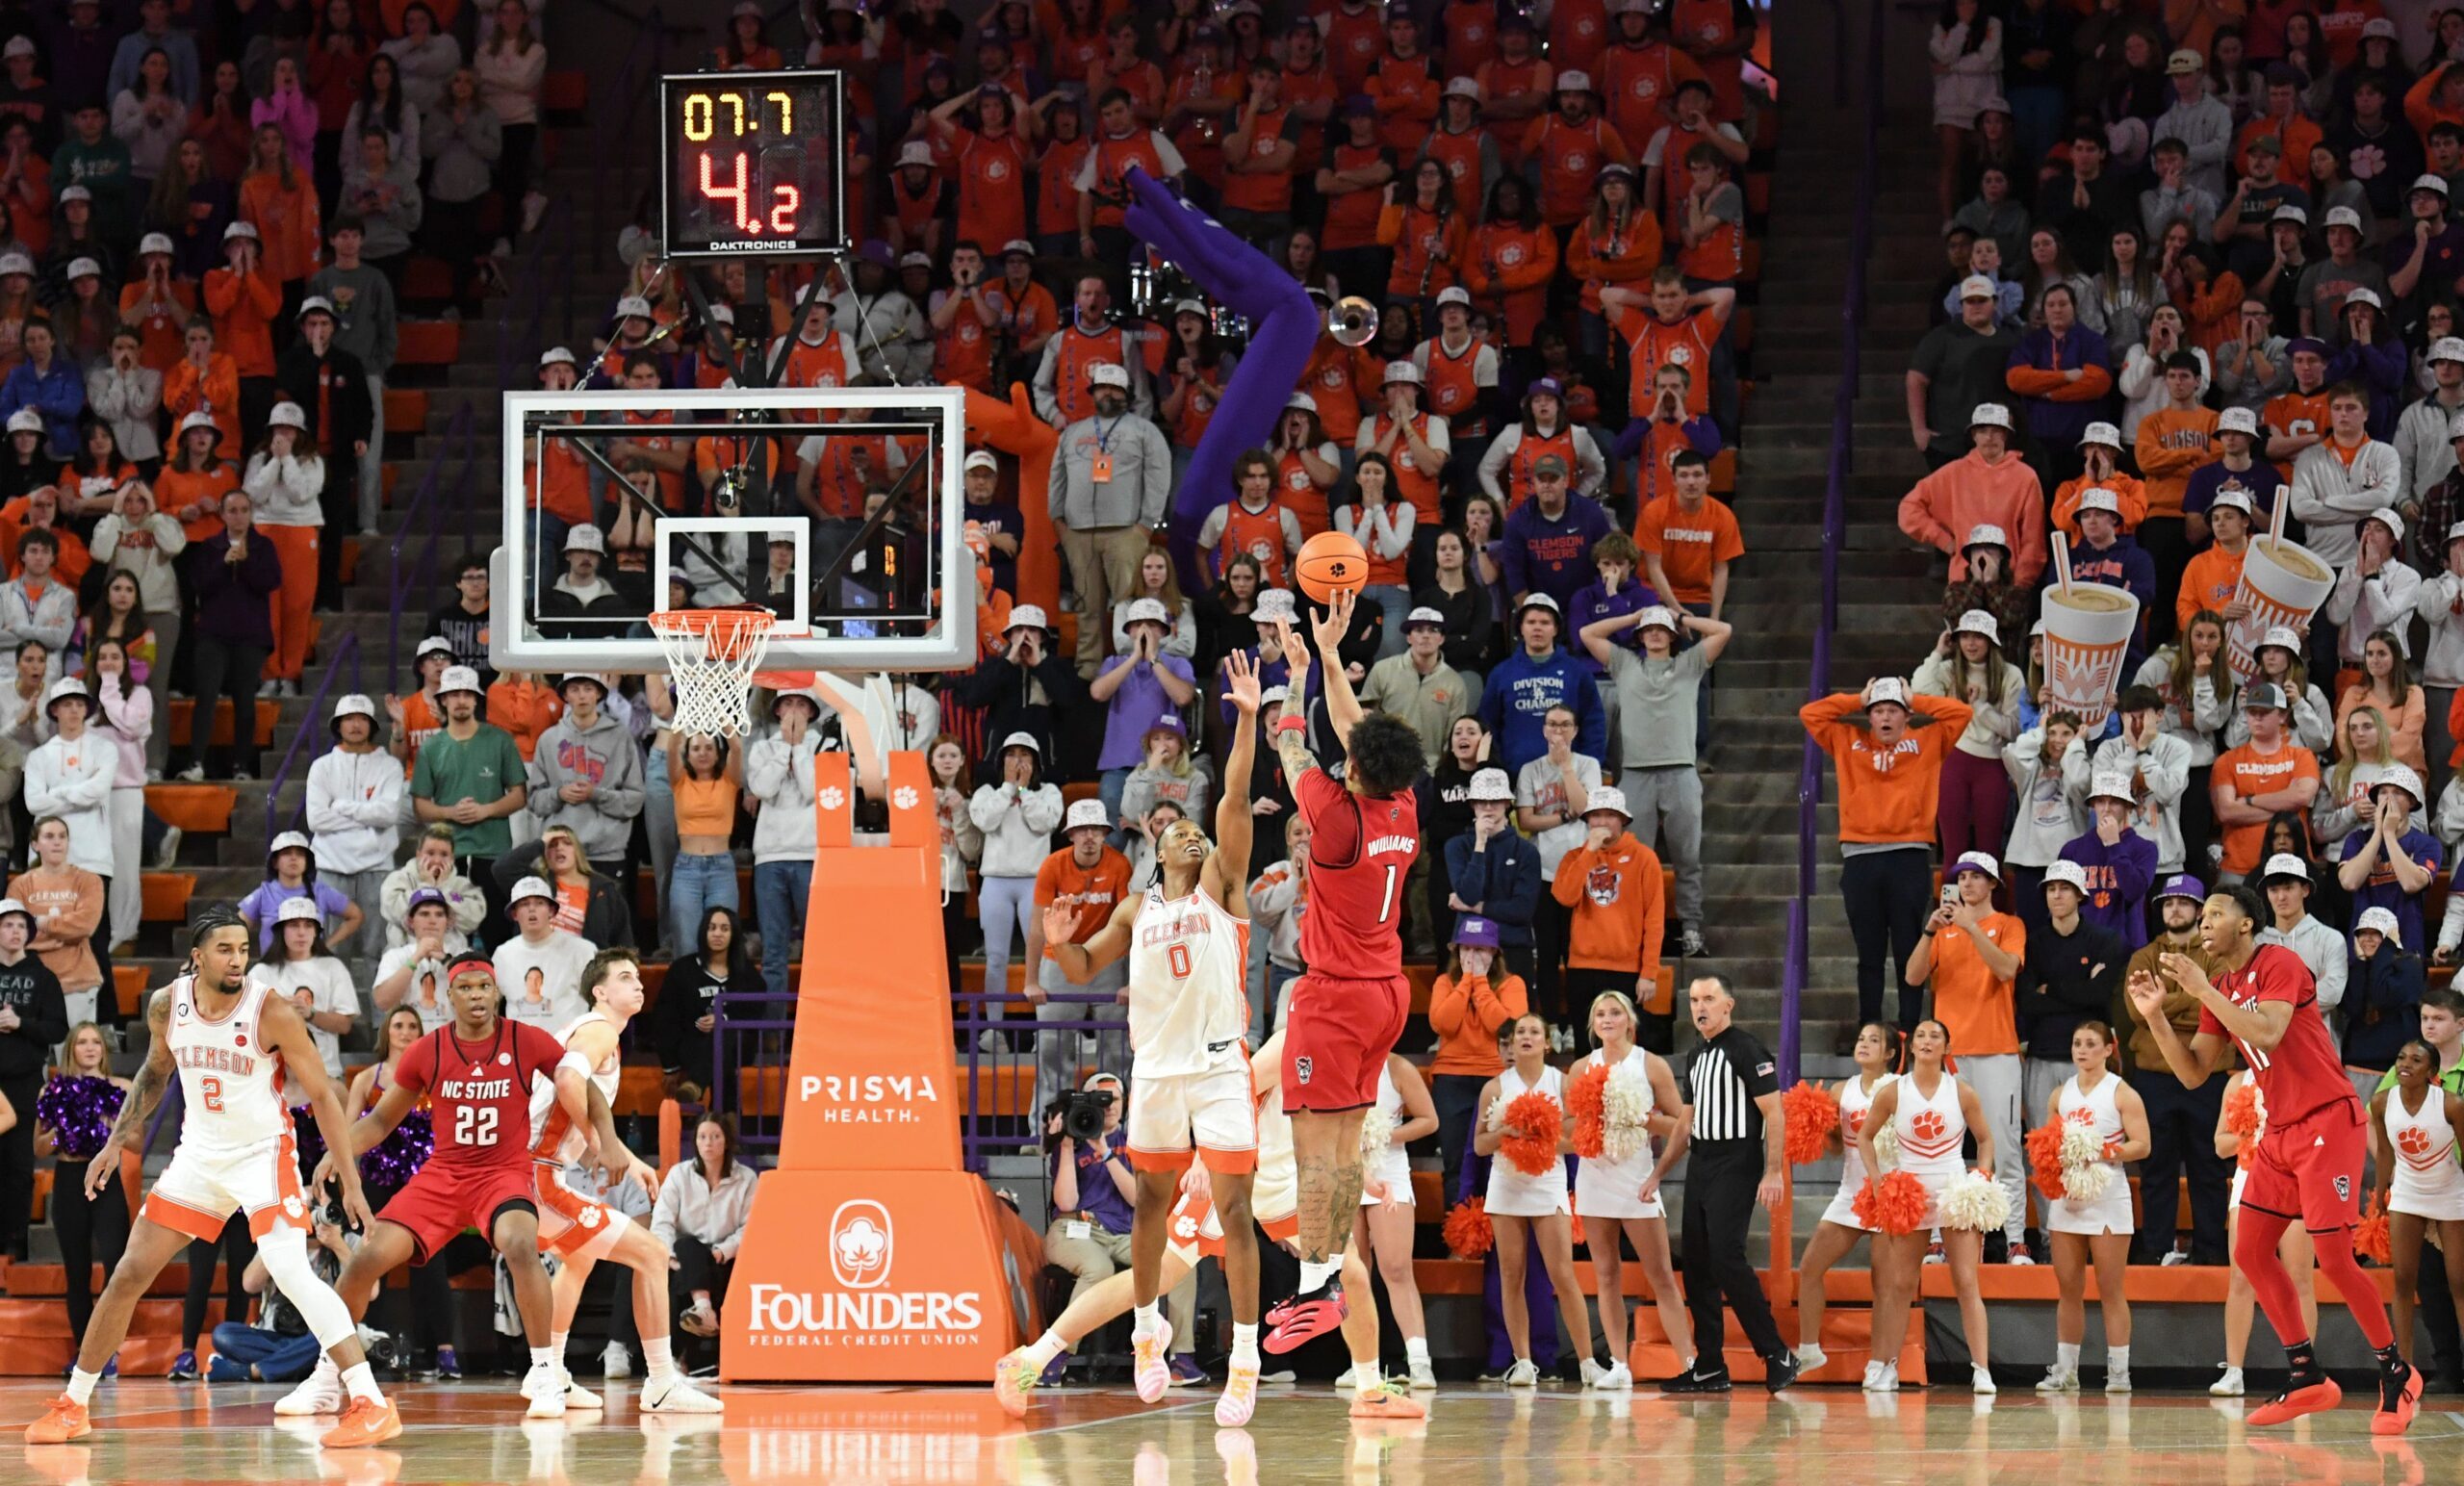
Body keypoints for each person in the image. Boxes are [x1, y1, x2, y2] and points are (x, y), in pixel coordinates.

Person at [26, 911, 397, 1448]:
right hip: (199, 1157)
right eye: (225, 949)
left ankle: (369, 1401)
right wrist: (112, 1144)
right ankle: (74, 1404)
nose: (237, 959)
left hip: (263, 1155)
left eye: (244, 949)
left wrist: (351, 1179)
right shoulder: (167, 1004)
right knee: (129, 1272)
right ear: (198, 957)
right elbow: (155, 1073)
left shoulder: (270, 1010)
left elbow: (323, 1094)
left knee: (290, 1270)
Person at [1043, 652, 1265, 1422]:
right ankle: (1145, 1329)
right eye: (1176, 830)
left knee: (1234, 1213)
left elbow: (1235, 792)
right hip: (1159, 1075)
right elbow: (1080, 965)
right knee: (1152, 1212)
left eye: (1196, 829)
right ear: (1152, 844)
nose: (1191, 834)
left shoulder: (1222, 888)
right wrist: (1060, 940)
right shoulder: (1136, 910)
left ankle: (1244, 1357)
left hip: (1218, 1069)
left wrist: (1245, 717)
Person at [997, 1027, 1425, 1420]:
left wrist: (1363, 1177)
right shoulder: (1292, 1040)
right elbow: (1234, 1097)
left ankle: (1369, 1391)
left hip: (1287, 1180)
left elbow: (1336, 1133)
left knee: (1350, 1272)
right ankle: (1029, 1359)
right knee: (1160, 1273)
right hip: (1237, 1166)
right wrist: (1204, 1159)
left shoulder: (1360, 1059)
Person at [2123, 884, 2424, 1431]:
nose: (2205, 922)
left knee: (2332, 1259)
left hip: (2329, 1121)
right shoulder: (2222, 982)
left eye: (2215, 913)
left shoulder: (2280, 961)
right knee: (2252, 1253)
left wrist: (2200, 990)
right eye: (2203, 914)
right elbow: (2192, 1074)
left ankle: (2396, 1372)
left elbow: (2267, 1028)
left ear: (2244, 924)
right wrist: (2157, 1017)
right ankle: (2307, 1375)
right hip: (2279, 1131)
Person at [289, 951, 578, 1422]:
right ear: (450, 996)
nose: (476, 996)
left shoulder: (528, 1041)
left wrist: (602, 1136)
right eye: (465, 988)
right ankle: (326, 1376)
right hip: (443, 1176)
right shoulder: (431, 1049)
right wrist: (336, 1153)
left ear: (497, 991)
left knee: (520, 1245)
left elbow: (577, 1081)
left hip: (503, 1174)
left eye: (484, 987)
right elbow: (381, 1119)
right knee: (365, 1259)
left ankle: (545, 1372)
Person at [1256, 592, 1429, 1351]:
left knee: (1311, 1149)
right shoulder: (1403, 807)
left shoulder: (1332, 817)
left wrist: (1294, 678)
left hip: (1334, 995)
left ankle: (1314, 1285)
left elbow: (1290, 745)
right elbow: (1362, 728)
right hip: (1389, 993)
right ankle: (1323, 1278)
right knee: (1353, 1140)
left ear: (1356, 771)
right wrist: (1327, 655)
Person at [523, 948, 721, 1412]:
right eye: (625, 977)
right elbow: (570, 1079)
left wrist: (626, 1158)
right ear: (600, 991)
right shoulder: (598, 1030)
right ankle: (662, 1382)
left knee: (578, 1261)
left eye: (638, 977)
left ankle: (551, 1373)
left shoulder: (589, 1030)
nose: (638, 984)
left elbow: (574, 1099)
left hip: (538, 1170)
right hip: (534, 1174)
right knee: (652, 1253)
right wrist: (604, 1147)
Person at [1802, 679, 1975, 1027]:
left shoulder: (1928, 740)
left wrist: (1917, 699)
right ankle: (1870, 1033)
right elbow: (1811, 713)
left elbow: (1961, 712)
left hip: (1909, 856)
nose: (1885, 717)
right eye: (1877, 710)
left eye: (1893, 710)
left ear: (1906, 716)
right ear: (1868, 716)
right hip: (1859, 857)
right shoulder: (1846, 739)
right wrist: (1856, 697)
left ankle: (1910, 1033)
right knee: (1869, 954)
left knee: (1911, 950)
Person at [1657, 975, 1798, 1393]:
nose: (1700, 1007)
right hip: (1702, 1161)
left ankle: (1776, 1352)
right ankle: (1710, 1364)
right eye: (1695, 999)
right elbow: (1686, 1122)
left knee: (1726, 1256)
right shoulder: (1696, 1053)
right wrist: (1658, 1173)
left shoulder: (1747, 1048)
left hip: (1737, 1160)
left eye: (1709, 999)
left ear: (1728, 1004)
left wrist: (1773, 1171)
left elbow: (1774, 1114)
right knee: (1697, 1262)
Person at [1581, 603, 1730, 960]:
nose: (1655, 633)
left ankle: (1691, 929)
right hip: (1635, 773)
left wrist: (1679, 618)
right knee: (1631, 860)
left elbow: (1723, 630)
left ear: (1672, 636)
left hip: (1680, 770)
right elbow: (1587, 634)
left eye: (1661, 629)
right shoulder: (1625, 664)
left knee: (1687, 857)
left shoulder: (1689, 665)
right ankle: (1633, 930)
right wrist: (1633, 617)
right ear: (1640, 635)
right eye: (1649, 629)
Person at [1859, 1017, 1996, 1394]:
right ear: (1911, 1046)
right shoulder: (1893, 1092)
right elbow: (1865, 1137)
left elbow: (1985, 1141)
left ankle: (1982, 1370)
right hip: (1910, 1194)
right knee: (1901, 1283)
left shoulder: (1962, 1092)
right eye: (1920, 1035)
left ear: (1946, 1048)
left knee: (1966, 1281)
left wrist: (1981, 1177)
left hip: (1954, 1193)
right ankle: (1888, 1365)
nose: (1926, 1040)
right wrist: (1876, 1178)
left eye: (1935, 1035)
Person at [1906, 851, 2028, 1261]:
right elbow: (1912, 977)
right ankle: (1941, 1237)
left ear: (1994, 884)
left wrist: (1970, 927)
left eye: (1978, 877)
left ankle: (2015, 1240)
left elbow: (2006, 970)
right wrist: (1929, 930)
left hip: (1997, 1051)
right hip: (1951, 1056)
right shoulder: (1942, 930)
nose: (1969, 884)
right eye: (1962, 877)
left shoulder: (2009, 925)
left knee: (2006, 1150)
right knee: (1943, 1151)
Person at [1476, 1012, 1605, 1388]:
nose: (1527, 1037)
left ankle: (1586, 1363)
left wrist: (1538, 1134)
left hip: (1547, 1182)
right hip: (1506, 1185)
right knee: (1510, 1275)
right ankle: (1523, 1362)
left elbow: (1575, 1141)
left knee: (1562, 1274)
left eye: (1535, 1031)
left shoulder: (1562, 1083)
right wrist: (1507, 1131)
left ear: (1547, 1042)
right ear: (1512, 1043)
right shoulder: (1495, 1087)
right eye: (1520, 1033)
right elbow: (1480, 1146)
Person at [1571, 989, 1691, 1388]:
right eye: (1600, 1014)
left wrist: (1642, 1120)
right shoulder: (1580, 1069)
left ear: (1630, 1021)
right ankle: (1620, 1366)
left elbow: (1680, 1124)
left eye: (1615, 1013)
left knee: (1660, 1275)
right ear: (1593, 1025)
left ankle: (1690, 1362)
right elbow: (1569, 1128)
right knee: (1606, 1274)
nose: (1607, 1019)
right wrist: (1591, 1124)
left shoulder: (1650, 1064)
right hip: (1593, 1177)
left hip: (1637, 1179)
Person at [2120, 873, 2236, 1267]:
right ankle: (2156, 1248)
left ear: (2200, 911)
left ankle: (2211, 1250)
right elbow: (2138, 1011)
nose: (2175, 908)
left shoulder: (2218, 956)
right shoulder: (2144, 956)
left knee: (2209, 1165)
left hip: (2210, 1074)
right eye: (2169, 902)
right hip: (2154, 1075)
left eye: (2184, 902)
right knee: (2157, 1168)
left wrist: (2165, 1002)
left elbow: (2216, 1004)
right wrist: (2191, 997)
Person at [2037, 1021, 2151, 1393]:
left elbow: (2143, 1145)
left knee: (2110, 1289)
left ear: (2108, 1049)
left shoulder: (2123, 1093)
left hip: (2108, 1196)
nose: (2082, 1050)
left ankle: (2119, 1373)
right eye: (2076, 1043)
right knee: (2068, 1288)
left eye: (2090, 1044)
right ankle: (2066, 1370)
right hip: (2068, 1199)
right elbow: (2047, 1143)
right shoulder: (2059, 1094)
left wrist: (2101, 1151)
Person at [1792, 1021, 1900, 1374]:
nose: (1864, 1045)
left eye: (1874, 1040)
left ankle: (1880, 1362)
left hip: (1888, 1193)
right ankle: (1809, 1349)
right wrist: (1817, 1128)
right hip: (1851, 1192)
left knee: (1883, 1284)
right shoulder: (1842, 1090)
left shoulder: (1900, 1089)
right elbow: (1837, 1148)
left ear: (1889, 1053)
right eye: (1860, 1039)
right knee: (1809, 1267)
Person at [2368, 1038, 2464, 1371]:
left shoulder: (2452, 1105)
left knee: (2459, 1281)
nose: (2405, 1064)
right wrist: (2380, 1195)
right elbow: (2384, 1152)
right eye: (2401, 1057)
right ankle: (2402, 1369)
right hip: (2407, 1194)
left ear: (2432, 1072)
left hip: (2450, 1193)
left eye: (2416, 1060)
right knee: (2403, 1280)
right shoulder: (2382, 1101)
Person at [1031, 799, 1132, 1116]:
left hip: (1106, 961)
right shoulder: (1052, 866)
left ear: (1105, 834)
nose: (1089, 836)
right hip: (1059, 959)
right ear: (1071, 834)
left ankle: (1119, 1129)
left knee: (1116, 1051)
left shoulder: (1119, 866)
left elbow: (1129, 926)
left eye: (1096, 830)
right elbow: (1037, 926)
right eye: (1081, 830)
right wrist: (1031, 979)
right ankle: (1046, 1129)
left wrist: (1131, 980)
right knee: (1052, 1049)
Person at [171, 490, 279, 780]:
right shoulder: (209, 546)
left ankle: (241, 765)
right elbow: (198, 585)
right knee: (206, 697)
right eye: (233, 510)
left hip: (250, 636)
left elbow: (270, 581)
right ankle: (195, 762)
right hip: (213, 634)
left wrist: (245, 562)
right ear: (222, 513)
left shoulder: (263, 546)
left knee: (245, 699)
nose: (239, 516)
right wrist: (223, 563)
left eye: (244, 510)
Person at [1551, 787, 1668, 1051]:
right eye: (1596, 816)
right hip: (1581, 967)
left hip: (1626, 970)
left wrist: (1649, 972)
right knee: (1585, 1048)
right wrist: (1589, 852)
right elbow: (1565, 897)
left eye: (1609, 815)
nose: (1602, 822)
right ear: (1587, 821)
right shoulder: (1574, 858)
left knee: (1625, 1050)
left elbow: (1655, 919)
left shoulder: (1645, 858)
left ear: (1622, 820)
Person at [36, 1016, 125, 1348]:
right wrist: (62, 1133)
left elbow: (138, 1143)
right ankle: (82, 1352)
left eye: (96, 1042)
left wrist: (112, 1130)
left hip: (105, 1179)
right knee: (77, 1271)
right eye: (83, 1042)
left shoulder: (122, 1087)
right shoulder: (53, 1090)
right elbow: (39, 1147)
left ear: (104, 1050)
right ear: (71, 1049)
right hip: (70, 1177)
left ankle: (105, 1347)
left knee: (116, 1264)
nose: (90, 1048)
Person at [410, 665, 526, 877]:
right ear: (443, 700)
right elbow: (420, 806)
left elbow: (519, 795)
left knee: (493, 910)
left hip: (494, 850)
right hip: (448, 853)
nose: (461, 701)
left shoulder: (500, 740)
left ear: (476, 699)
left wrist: (486, 810)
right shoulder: (430, 747)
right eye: (454, 695)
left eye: (467, 694)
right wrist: (449, 812)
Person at [304, 694, 397, 961]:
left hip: (377, 867)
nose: (355, 725)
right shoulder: (321, 767)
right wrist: (368, 815)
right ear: (338, 725)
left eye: (362, 719)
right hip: (331, 867)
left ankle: (378, 1006)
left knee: (376, 951)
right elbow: (316, 820)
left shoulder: (389, 766)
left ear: (371, 725)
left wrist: (341, 806)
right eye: (349, 719)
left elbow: (388, 814)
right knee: (330, 951)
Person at [0, 894, 65, 1264]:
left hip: (23, 1082)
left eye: (21, 926)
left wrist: (21, 1023)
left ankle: (15, 1239)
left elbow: (58, 1029)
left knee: (20, 1167)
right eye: (8, 925)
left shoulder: (43, 978)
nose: (14, 932)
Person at [2212, 681, 2323, 884]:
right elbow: (2226, 811)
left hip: (2292, 867)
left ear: (2282, 715)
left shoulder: (2302, 756)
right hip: (2239, 867)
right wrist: (2285, 810)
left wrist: (2247, 800)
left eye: (2264, 711)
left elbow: (2302, 796)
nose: (2257, 717)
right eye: (2252, 711)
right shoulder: (2227, 760)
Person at [9, 817, 105, 1034]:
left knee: (75, 1062)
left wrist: (41, 923)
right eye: (49, 836)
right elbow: (14, 935)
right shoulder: (20, 885)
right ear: (35, 845)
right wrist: (64, 932)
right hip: (32, 983)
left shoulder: (89, 881)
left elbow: (86, 926)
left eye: (62, 837)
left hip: (77, 982)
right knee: (31, 1064)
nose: (57, 842)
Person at [245, 898, 358, 1083]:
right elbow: (245, 1024)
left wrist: (311, 1014)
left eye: (308, 926)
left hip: (325, 1073)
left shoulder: (332, 967)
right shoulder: (261, 972)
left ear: (316, 932)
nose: (301, 933)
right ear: (282, 931)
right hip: (274, 1077)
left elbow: (345, 1024)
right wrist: (279, 1013)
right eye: (294, 925)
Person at [495, 876, 596, 1032]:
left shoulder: (581, 950)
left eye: (539, 903)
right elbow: (492, 1003)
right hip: (520, 1048)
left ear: (551, 911)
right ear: (514, 914)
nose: (532, 909)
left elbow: (601, 1001)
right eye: (524, 904)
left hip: (568, 1048)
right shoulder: (503, 954)